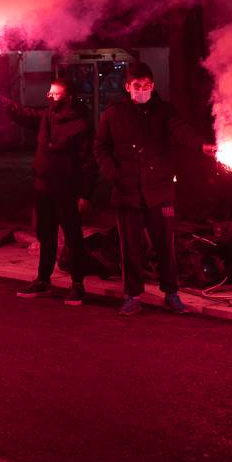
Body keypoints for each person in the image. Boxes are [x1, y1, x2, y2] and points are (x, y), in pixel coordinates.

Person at [93, 62, 216, 316]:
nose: (142, 90)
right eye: (137, 86)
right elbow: (100, 148)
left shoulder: (163, 111)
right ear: (127, 87)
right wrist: (114, 175)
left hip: (160, 192)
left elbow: (181, 131)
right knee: (131, 247)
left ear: (153, 86)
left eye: (146, 86)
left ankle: (171, 294)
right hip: (127, 192)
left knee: (166, 246)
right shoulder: (113, 114)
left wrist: (201, 146)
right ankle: (132, 295)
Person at [0, 77, 96, 304]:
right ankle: (43, 281)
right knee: (46, 234)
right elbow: (21, 113)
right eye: (49, 93)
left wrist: (85, 194)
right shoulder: (47, 116)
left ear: (68, 98)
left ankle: (77, 284)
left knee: (73, 236)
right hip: (44, 186)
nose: (49, 97)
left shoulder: (80, 124)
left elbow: (88, 162)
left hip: (66, 188)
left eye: (55, 94)